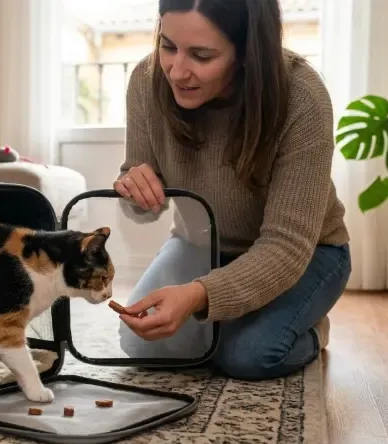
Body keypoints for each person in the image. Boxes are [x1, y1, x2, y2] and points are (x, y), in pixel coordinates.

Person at [112, 0, 351, 380]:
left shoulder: (302, 96)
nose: (176, 70)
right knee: (141, 344)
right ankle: (239, 318)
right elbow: (142, 204)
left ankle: (310, 328)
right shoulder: (145, 80)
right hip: (200, 243)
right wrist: (134, 190)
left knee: (247, 356)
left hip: (308, 253)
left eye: (202, 55)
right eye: (168, 45)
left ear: (247, 53)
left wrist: (197, 295)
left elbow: (286, 246)